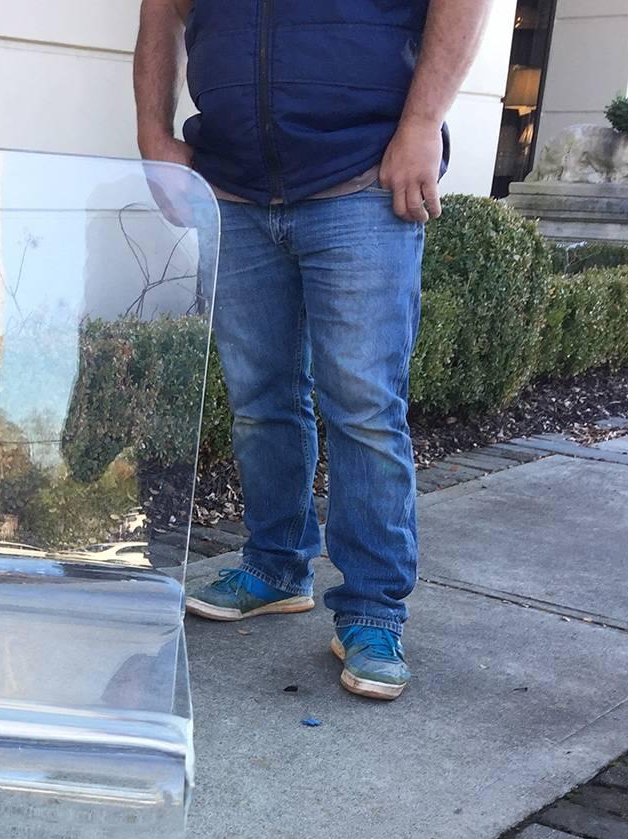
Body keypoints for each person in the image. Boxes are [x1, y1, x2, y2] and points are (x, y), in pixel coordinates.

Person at [134, 0, 490, 699]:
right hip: (230, 185)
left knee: (361, 404)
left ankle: (372, 610)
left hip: (361, 177)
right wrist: (152, 132)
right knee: (259, 397)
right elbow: (163, 10)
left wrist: (421, 124)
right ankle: (275, 567)